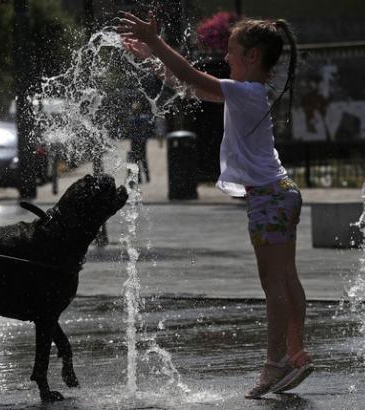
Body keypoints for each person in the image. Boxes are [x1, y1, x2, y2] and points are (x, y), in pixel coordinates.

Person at [118, 11, 313, 398]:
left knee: (274, 284)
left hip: (268, 198)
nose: (226, 58)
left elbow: (191, 76)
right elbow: (191, 87)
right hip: (283, 191)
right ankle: (296, 353)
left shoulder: (245, 92)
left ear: (253, 56)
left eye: (232, 52)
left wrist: (156, 42)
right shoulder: (250, 93)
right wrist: (153, 60)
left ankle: (275, 366)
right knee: (287, 279)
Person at [128, 100, 152, 183]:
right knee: (144, 159)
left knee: (136, 160)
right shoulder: (145, 117)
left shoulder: (132, 118)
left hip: (135, 140)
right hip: (142, 140)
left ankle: (139, 178)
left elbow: (130, 129)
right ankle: (147, 177)